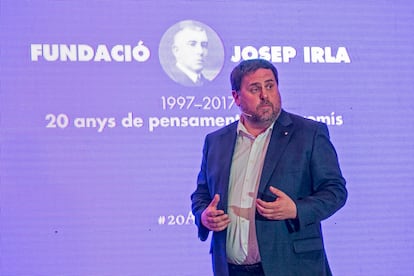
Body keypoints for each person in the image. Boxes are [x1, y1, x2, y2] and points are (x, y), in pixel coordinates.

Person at [191, 59, 347, 276]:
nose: (265, 95)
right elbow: (201, 194)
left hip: (292, 267)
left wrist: (296, 209)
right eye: (255, 89)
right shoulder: (216, 141)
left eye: (270, 86)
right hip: (230, 269)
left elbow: (335, 191)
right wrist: (203, 216)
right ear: (236, 97)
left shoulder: (308, 133)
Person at [169, 20, 210, 87]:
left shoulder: (207, 83)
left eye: (204, 45)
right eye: (192, 44)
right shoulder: (171, 79)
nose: (200, 51)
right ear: (176, 51)